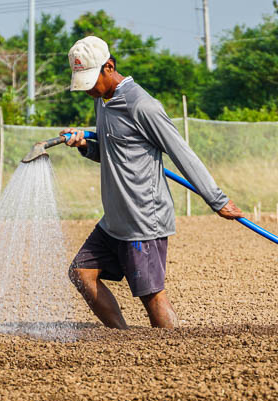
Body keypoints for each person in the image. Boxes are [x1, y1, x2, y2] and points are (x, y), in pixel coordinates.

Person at [62, 36, 244, 329]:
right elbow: (112, 154)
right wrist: (85, 145)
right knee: (81, 272)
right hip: (115, 219)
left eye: (90, 81)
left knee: (151, 295)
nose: (87, 91)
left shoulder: (142, 105)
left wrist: (217, 199)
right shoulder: (103, 102)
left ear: (109, 67)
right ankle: (123, 338)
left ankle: (174, 354)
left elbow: (182, 153)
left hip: (143, 218)